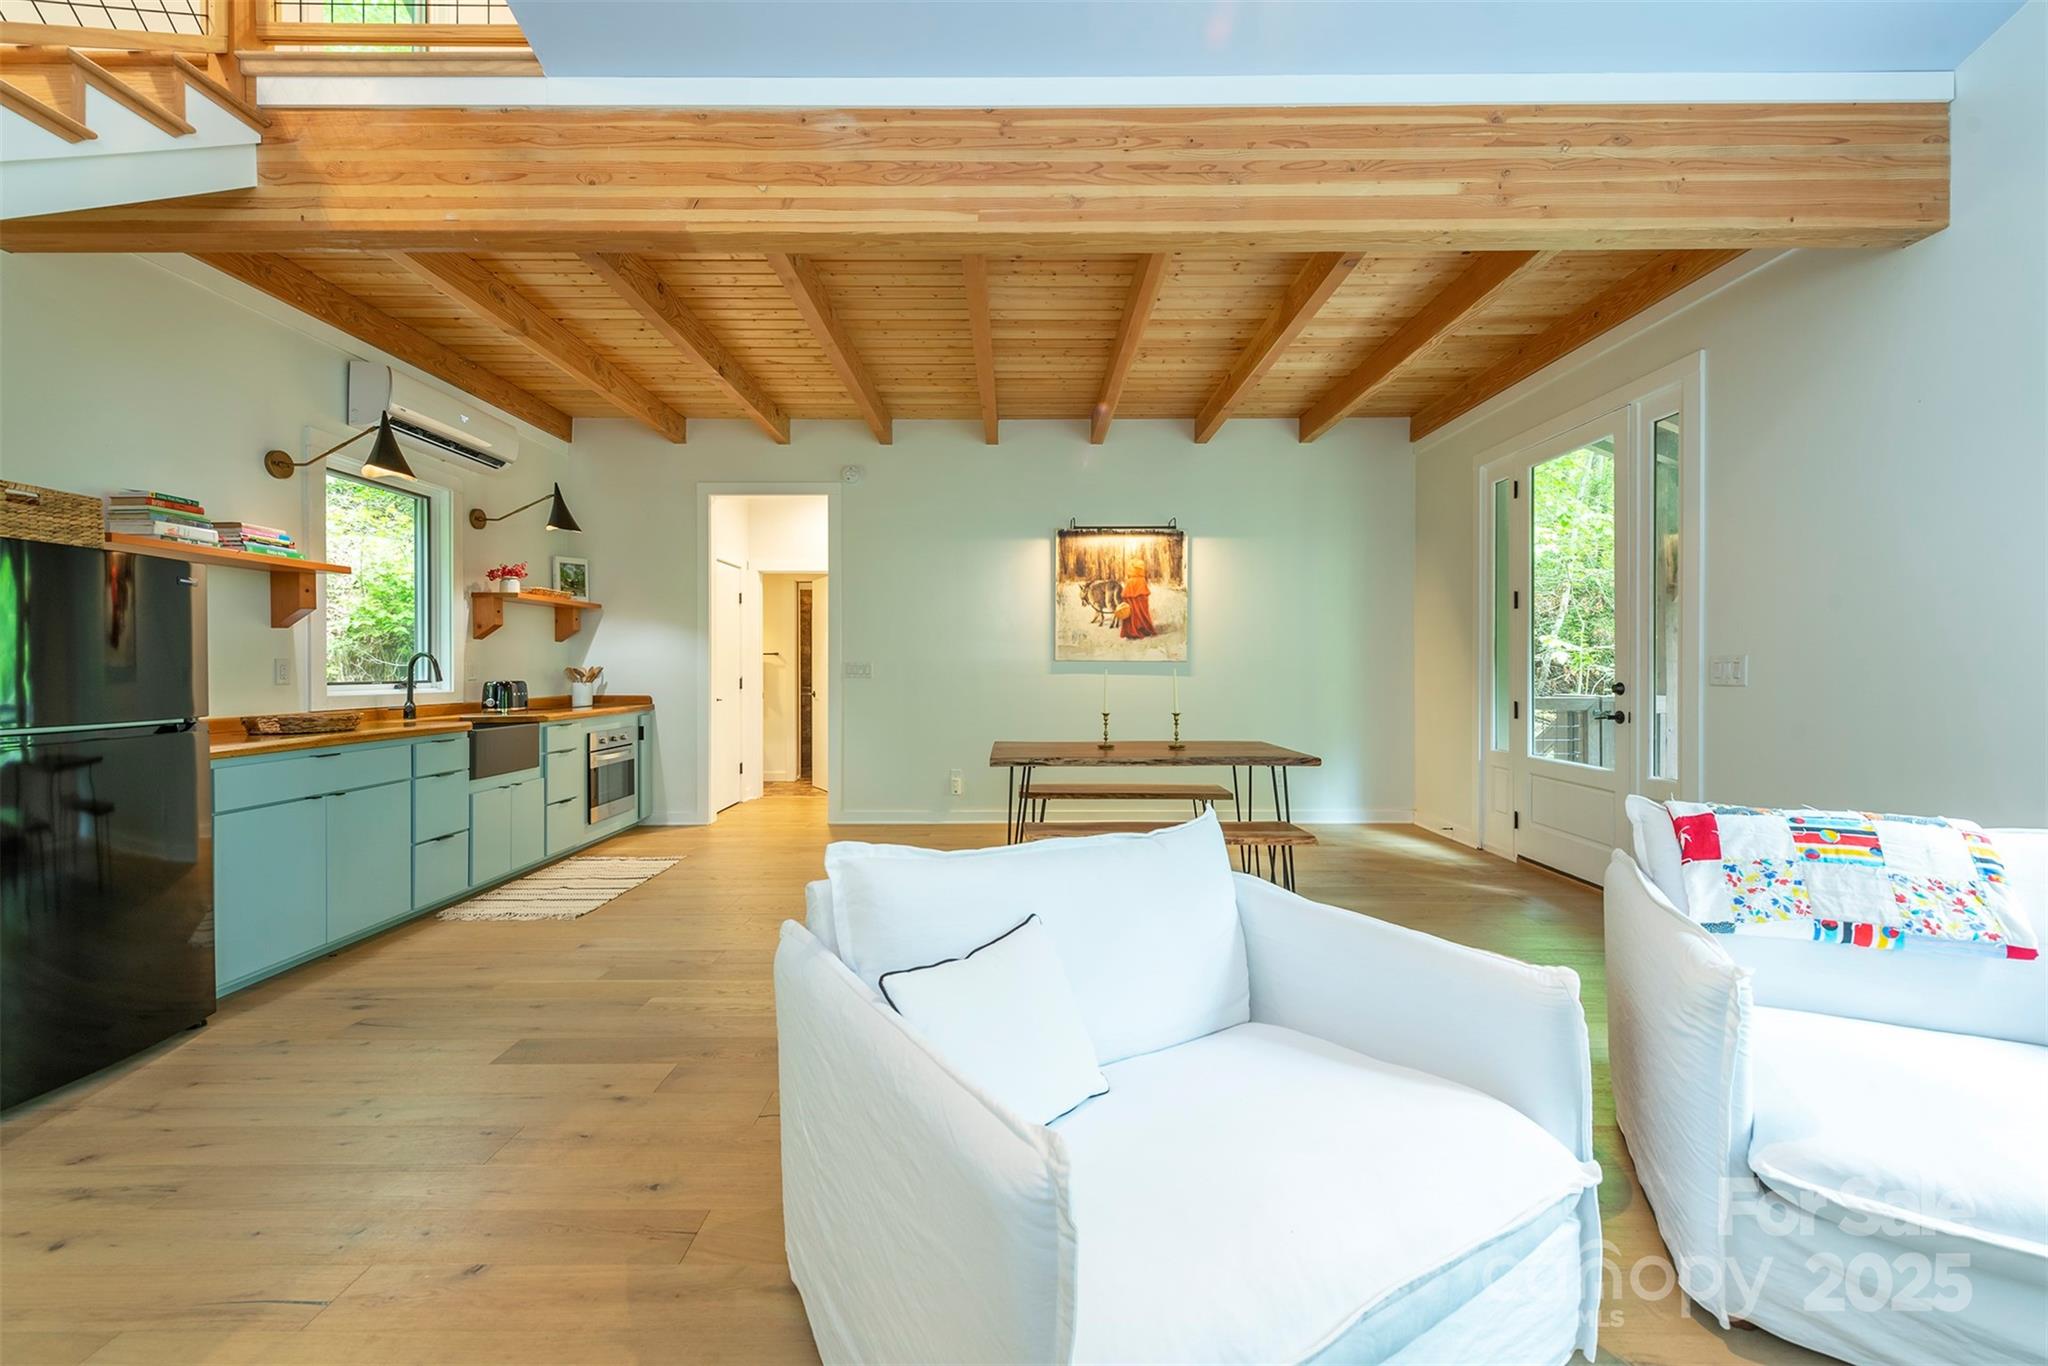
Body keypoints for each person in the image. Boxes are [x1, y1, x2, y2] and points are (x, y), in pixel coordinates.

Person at [1120, 557, 1156, 640]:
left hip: (1131, 598)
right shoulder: (1141, 580)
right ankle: (1142, 627)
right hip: (1141, 599)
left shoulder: (1130, 581)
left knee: (1132, 613)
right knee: (1142, 613)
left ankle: (1132, 630)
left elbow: (1125, 595)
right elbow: (1144, 595)